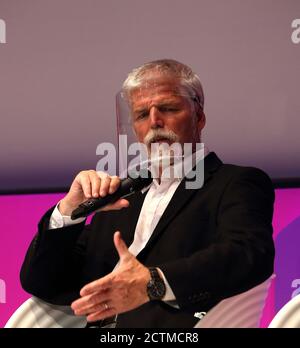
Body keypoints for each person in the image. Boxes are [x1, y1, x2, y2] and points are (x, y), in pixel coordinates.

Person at [20, 59, 275, 328]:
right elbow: (42, 282)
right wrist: (68, 212)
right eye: (142, 115)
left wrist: (153, 283)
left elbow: (248, 255)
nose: (154, 122)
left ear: (199, 117)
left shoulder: (235, 183)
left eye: (168, 108)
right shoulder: (121, 198)